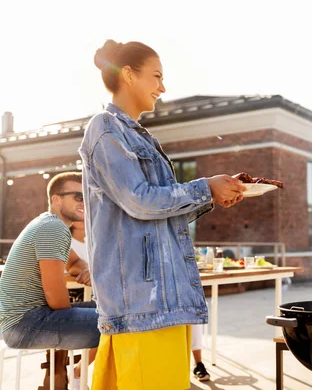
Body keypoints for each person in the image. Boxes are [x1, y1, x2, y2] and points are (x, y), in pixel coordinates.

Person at [80, 39, 246, 390]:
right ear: (128, 74)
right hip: (142, 305)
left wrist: (211, 198)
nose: (163, 87)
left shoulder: (140, 137)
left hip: (163, 302)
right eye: (156, 76)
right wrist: (204, 187)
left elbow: (155, 216)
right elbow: (139, 201)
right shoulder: (105, 128)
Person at [0, 172, 100, 389]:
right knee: (121, 324)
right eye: (77, 196)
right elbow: (55, 297)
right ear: (56, 199)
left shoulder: (51, 225)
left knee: (114, 311)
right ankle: (87, 379)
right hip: (25, 324)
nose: (84, 201)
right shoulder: (52, 228)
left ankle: (78, 376)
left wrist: (86, 269)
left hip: (26, 319)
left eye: (86, 196)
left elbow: (74, 263)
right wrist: (73, 322)